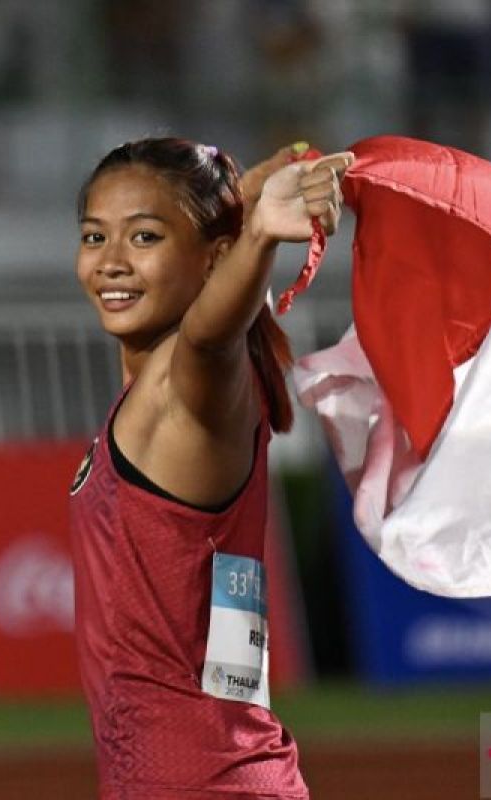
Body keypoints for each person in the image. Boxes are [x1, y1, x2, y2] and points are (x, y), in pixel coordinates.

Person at [68, 137, 352, 799]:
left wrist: (256, 241)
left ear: (212, 260)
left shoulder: (188, 390)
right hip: (225, 775)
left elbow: (208, 336)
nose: (110, 263)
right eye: (93, 236)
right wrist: (238, 210)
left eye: (143, 238)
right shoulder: (162, 396)